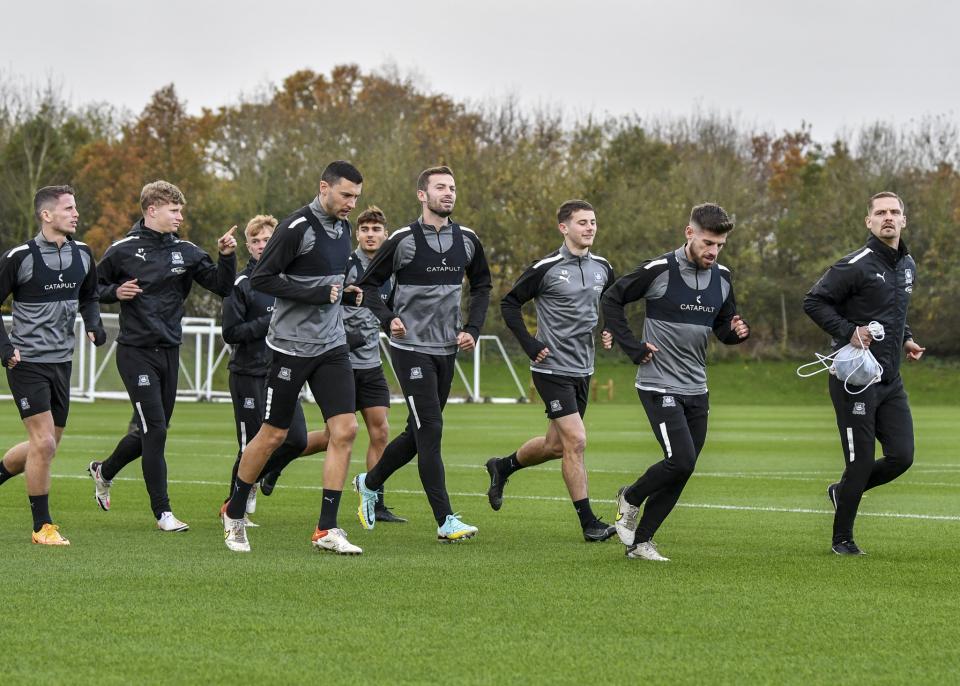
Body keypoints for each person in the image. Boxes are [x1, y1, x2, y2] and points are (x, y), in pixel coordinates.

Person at [221, 161, 364, 555]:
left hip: (331, 345)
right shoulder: (297, 227)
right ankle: (234, 512)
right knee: (274, 435)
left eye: (356, 196)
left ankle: (326, 528)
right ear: (324, 187)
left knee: (346, 430)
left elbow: (327, 281)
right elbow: (262, 279)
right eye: (345, 195)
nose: (351, 203)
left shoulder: (343, 228)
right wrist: (317, 294)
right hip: (290, 347)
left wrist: (345, 291)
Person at [352, 165, 492, 543]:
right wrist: (388, 319)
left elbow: (482, 286)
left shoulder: (467, 240)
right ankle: (446, 520)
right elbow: (366, 286)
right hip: (410, 349)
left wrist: (473, 329)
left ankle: (370, 481)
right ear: (422, 195)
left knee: (417, 433)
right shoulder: (401, 240)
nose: (449, 193)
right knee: (431, 428)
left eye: (453, 187)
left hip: (447, 348)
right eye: (440, 187)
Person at [87, 180, 237, 532]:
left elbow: (223, 286)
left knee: (150, 430)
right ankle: (163, 512)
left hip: (169, 352)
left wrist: (228, 257)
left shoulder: (186, 251)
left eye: (180, 210)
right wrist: (114, 291)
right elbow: (90, 288)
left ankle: (104, 470)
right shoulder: (122, 250)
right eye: (174, 210)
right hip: (135, 352)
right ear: (152, 210)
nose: (180, 216)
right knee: (155, 429)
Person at [603, 202, 749, 561]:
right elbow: (611, 298)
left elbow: (722, 328)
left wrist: (737, 334)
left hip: (697, 387)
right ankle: (630, 497)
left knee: (683, 469)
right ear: (689, 233)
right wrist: (632, 347)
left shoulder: (723, 278)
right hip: (658, 383)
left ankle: (640, 543)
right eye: (707, 243)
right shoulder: (659, 271)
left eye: (719, 245)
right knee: (680, 460)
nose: (712, 251)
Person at [259, 205, 405, 522]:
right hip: (338, 358)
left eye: (376, 230)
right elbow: (327, 303)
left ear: (385, 233)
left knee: (380, 431)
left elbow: (385, 306)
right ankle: (277, 463)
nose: (370, 234)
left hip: (371, 362)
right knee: (331, 437)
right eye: (364, 229)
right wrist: (347, 335)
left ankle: (375, 500)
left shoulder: (389, 270)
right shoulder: (346, 263)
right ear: (358, 234)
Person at [486, 199, 616, 542]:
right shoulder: (546, 267)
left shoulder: (603, 267)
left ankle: (503, 466)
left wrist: (610, 329)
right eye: (582, 222)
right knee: (576, 440)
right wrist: (530, 344)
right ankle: (589, 523)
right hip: (551, 368)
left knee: (555, 445)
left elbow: (612, 303)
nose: (589, 228)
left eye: (593, 222)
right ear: (564, 228)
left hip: (583, 368)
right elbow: (509, 303)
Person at [802, 191, 924, 556]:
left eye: (895, 212)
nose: (888, 217)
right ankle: (843, 539)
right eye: (880, 212)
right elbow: (814, 301)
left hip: (890, 380)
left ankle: (842, 492)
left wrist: (907, 339)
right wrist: (848, 330)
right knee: (859, 461)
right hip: (854, 380)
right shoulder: (855, 264)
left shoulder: (908, 266)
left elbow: (894, 312)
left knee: (902, 456)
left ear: (903, 220)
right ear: (869, 221)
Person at [0, 185, 106, 545]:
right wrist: (5, 347)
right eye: (68, 208)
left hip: (63, 362)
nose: (76, 214)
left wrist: (93, 323)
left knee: (45, 446)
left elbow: (90, 295)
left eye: (75, 207)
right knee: (43, 443)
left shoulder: (84, 254)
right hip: (26, 362)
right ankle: (42, 527)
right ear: (46, 215)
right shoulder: (19, 257)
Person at [219, 214, 310, 524]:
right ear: (248, 246)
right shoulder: (241, 284)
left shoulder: (288, 282)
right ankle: (233, 509)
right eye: (255, 241)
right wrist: (267, 323)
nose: (261, 245)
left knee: (297, 439)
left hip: (284, 371)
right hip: (248, 374)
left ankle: (259, 478)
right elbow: (231, 332)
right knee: (248, 445)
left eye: (267, 240)